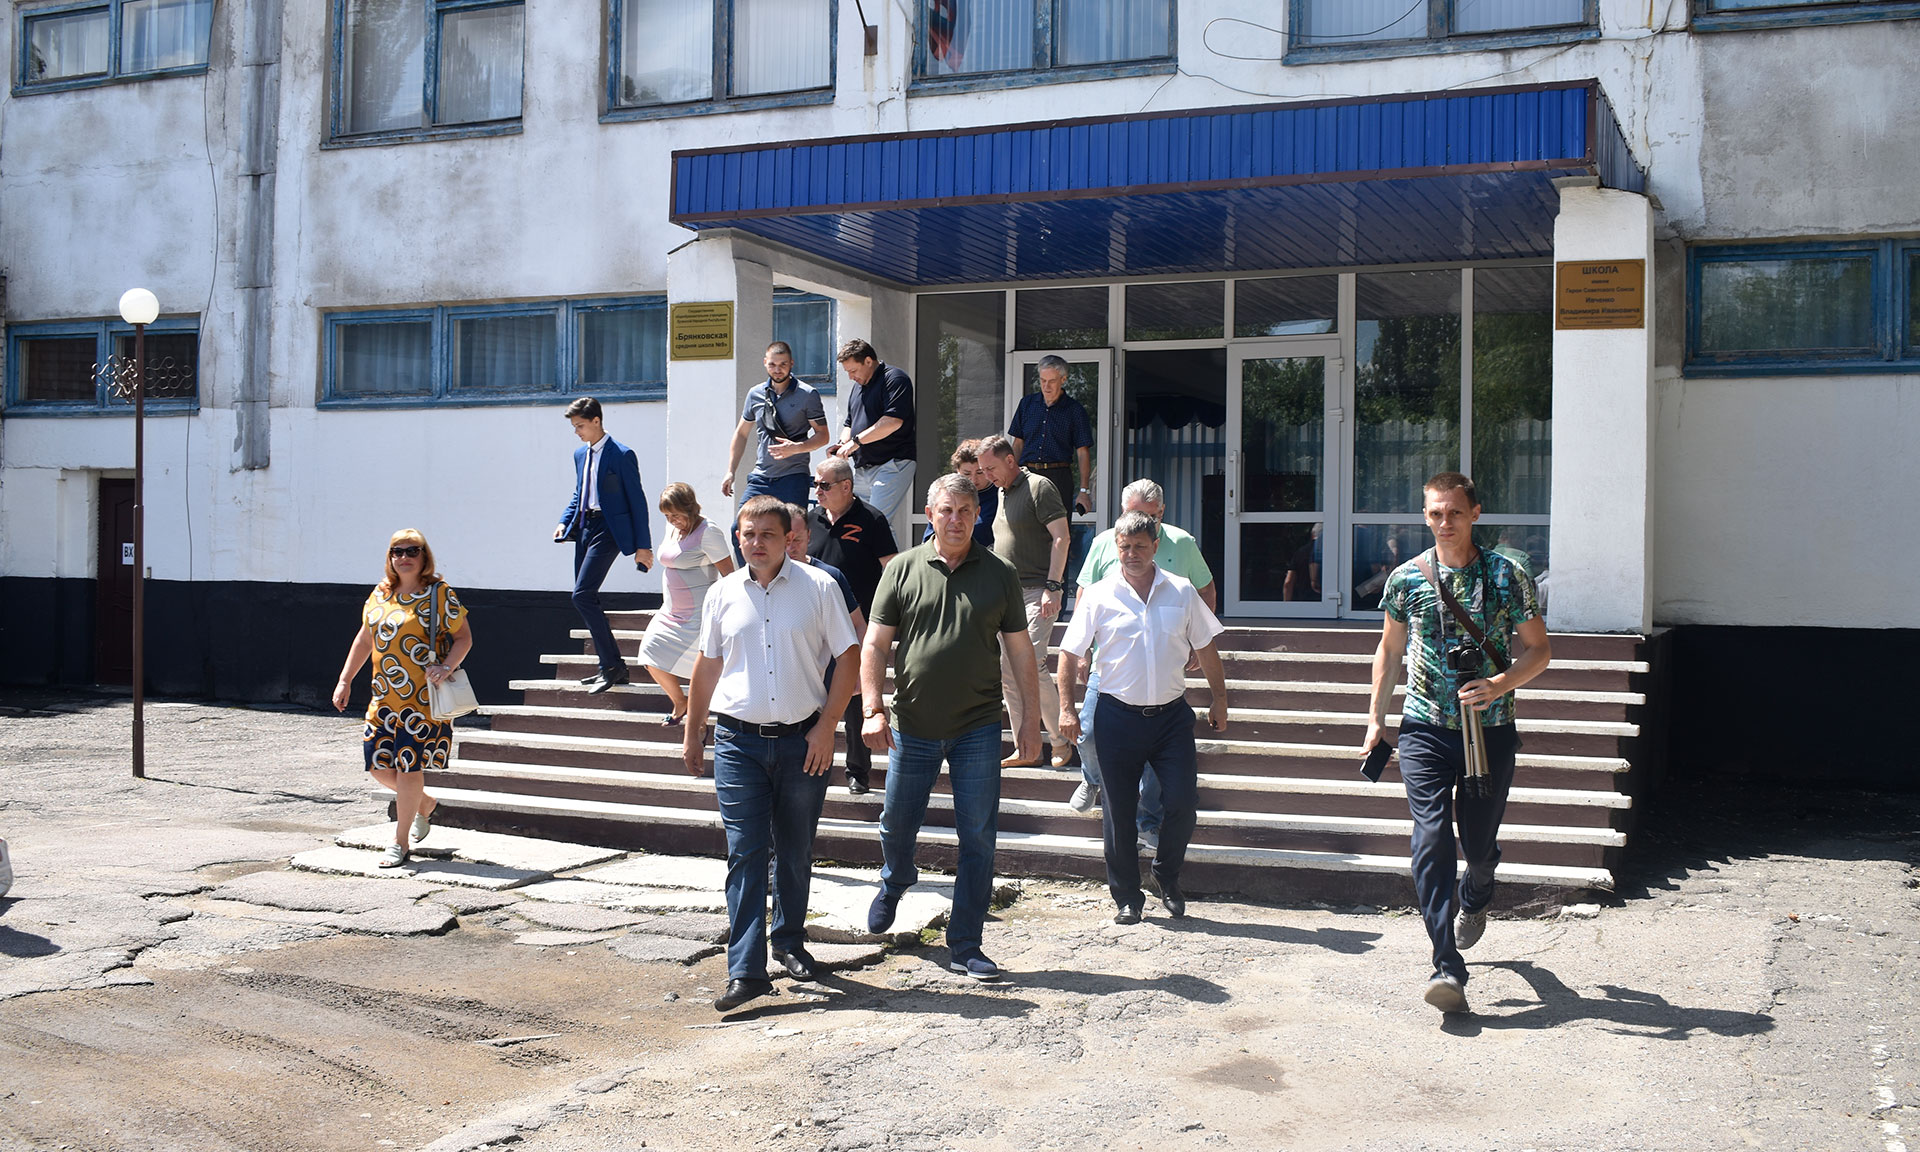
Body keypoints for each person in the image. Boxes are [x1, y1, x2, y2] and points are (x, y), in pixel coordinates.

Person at [1363, 471, 1552, 1016]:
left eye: (1454, 512)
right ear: (1425, 516)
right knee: (1430, 837)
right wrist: (1375, 719)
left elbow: (1539, 651)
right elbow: (1389, 650)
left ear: (1475, 513)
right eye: (1434, 513)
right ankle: (1446, 965)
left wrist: (1498, 684)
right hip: (1424, 727)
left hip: (1490, 730)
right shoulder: (1406, 578)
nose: (1444, 522)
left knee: (1478, 841)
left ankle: (1480, 886)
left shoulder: (1507, 575)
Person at [682, 497, 861, 1014]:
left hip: (803, 741)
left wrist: (827, 727)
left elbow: (849, 655)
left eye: (767, 534)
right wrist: (693, 731)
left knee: (796, 849)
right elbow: (708, 664)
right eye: (748, 533)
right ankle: (746, 970)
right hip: (738, 742)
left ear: (789, 539)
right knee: (745, 852)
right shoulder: (722, 593)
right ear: (738, 537)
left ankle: (788, 940)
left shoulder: (819, 587)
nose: (756, 542)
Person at [860, 474, 1040, 981]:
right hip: (912, 724)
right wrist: (872, 708)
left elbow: (1020, 651)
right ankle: (896, 879)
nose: (956, 519)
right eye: (947, 510)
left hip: (977, 726)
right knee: (896, 823)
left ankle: (965, 943)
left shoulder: (1000, 573)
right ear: (930, 514)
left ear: (978, 515)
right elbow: (875, 644)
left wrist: (1029, 723)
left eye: (965, 509)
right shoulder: (902, 569)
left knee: (978, 836)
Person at [1057, 512, 1228, 924]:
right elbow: (1069, 652)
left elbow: (1206, 648)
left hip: (1170, 719)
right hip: (1117, 717)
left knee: (1183, 802)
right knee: (1119, 810)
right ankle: (1127, 897)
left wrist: (1220, 699)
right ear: (1116, 549)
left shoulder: (1181, 591)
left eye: (1139, 546)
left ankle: (1166, 874)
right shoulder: (1099, 595)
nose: (1131, 554)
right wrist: (1066, 708)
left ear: (1155, 547)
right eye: (1124, 547)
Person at [1067, 480, 1218, 843]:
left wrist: (1196, 642)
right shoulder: (1106, 541)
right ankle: (1093, 777)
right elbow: (1085, 590)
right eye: (1130, 514)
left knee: (1154, 755)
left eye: (1148, 517)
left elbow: (1205, 589)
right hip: (1109, 664)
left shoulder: (1181, 542)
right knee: (1088, 731)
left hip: (1160, 670)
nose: (1137, 523)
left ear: (1161, 514)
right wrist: (1083, 649)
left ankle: (1148, 820)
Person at [332, 529, 473, 868]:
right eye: (398, 551)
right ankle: (424, 804)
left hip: (421, 701)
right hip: (383, 698)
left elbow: (464, 638)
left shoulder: (439, 594)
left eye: (413, 550)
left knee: (409, 768)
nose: (404, 557)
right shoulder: (380, 593)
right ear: (390, 557)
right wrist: (345, 679)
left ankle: (400, 842)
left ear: (424, 556)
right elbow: (364, 640)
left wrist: (447, 666)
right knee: (379, 767)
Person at [977, 434, 1071, 769]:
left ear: (1010, 460)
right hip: (1006, 594)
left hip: (1037, 590)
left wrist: (1054, 586)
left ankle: (1061, 740)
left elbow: (1061, 537)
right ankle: (1027, 747)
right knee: (1008, 670)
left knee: (1031, 661)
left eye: (991, 468)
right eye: (983, 470)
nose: (987, 476)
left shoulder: (1039, 487)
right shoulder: (1002, 492)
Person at [806, 456, 898, 795]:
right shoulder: (809, 519)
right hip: (812, 624)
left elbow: (891, 568)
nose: (818, 491)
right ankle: (811, 765)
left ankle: (857, 770)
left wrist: (886, 617)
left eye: (824, 485)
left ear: (847, 486)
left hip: (857, 625)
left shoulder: (871, 519)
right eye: (815, 484)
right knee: (814, 694)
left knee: (856, 697)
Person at [554, 397, 653, 694]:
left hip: (610, 529)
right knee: (585, 597)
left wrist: (643, 546)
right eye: (574, 427)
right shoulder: (579, 454)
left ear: (596, 421)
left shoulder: (621, 454)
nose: (577, 432)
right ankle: (611, 666)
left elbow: (637, 501)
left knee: (582, 595)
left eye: (580, 426)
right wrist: (564, 520)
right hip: (585, 526)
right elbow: (579, 493)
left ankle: (611, 665)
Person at [723, 341, 830, 562]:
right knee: (738, 529)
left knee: (791, 535)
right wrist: (730, 471)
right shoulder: (755, 394)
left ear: (791, 364)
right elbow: (741, 434)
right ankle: (753, 576)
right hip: (761, 478)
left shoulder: (807, 394)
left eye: (783, 364)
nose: (778, 369)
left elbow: (823, 435)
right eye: (772, 364)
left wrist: (796, 448)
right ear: (765, 363)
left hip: (793, 477)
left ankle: (788, 578)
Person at [638, 483, 734, 726]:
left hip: (697, 615)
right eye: (667, 516)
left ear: (690, 508)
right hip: (670, 612)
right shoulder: (673, 529)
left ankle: (699, 720)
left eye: (676, 515)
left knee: (699, 668)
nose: (672, 521)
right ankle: (680, 702)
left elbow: (729, 575)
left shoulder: (708, 532)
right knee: (648, 653)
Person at [1007, 354, 1096, 596]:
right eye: (1042, 380)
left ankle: (1055, 595)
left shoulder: (1074, 410)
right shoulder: (1027, 405)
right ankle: (1020, 594)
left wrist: (1084, 491)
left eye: (1052, 381)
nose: (1046, 386)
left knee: (1058, 537)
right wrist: (1010, 475)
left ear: (1063, 380)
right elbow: (1017, 443)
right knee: (1021, 532)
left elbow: (1083, 452)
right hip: (1026, 474)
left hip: (1058, 476)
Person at [831, 339, 916, 546]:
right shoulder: (857, 388)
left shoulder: (894, 379)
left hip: (892, 464)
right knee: (858, 525)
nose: (851, 377)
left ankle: (894, 568)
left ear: (868, 361)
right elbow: (850, 423)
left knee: (877, 523)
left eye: (853, 371)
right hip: (862, 469)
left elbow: (892, 421)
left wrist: (855, 442)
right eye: (847, 372)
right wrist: (842, 445)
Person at [921, 440, 997, 548]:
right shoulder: (946, 493)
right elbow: (929, 539)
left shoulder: (1000, 495)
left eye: (980, 472)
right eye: (967, 473)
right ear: (957, 471)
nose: (973, 479)